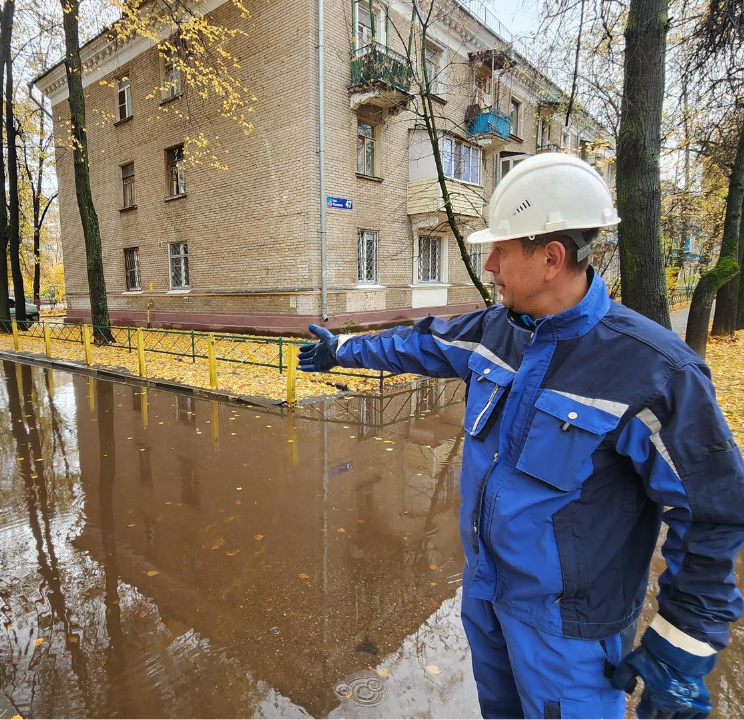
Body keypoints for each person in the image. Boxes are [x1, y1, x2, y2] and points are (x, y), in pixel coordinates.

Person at [298, 153, 744, 719]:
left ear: (551, 258)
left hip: (570, 638)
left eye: (501, 251)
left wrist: (681, 647)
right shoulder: (497, 330)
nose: (489, 267)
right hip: (488, 599)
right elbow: (421, 344)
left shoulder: (652, 370)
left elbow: (712, 511)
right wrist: (344, 350)